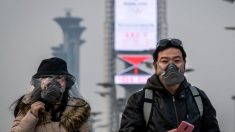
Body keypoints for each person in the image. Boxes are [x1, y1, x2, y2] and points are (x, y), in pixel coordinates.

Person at [119, 39, 220, 132]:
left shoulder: (198, 98)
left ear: (184, 64)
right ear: (155, 66)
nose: (171, 66)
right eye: (164, 61)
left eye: (177, 61)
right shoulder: (139, 101)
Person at [10, 57, 91, 132]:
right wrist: (32, 115)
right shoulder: (28, 107)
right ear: (39, 82)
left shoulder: (77, 111)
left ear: (66, 82)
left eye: (59, 77)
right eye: (48, 77)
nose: (53, 82)